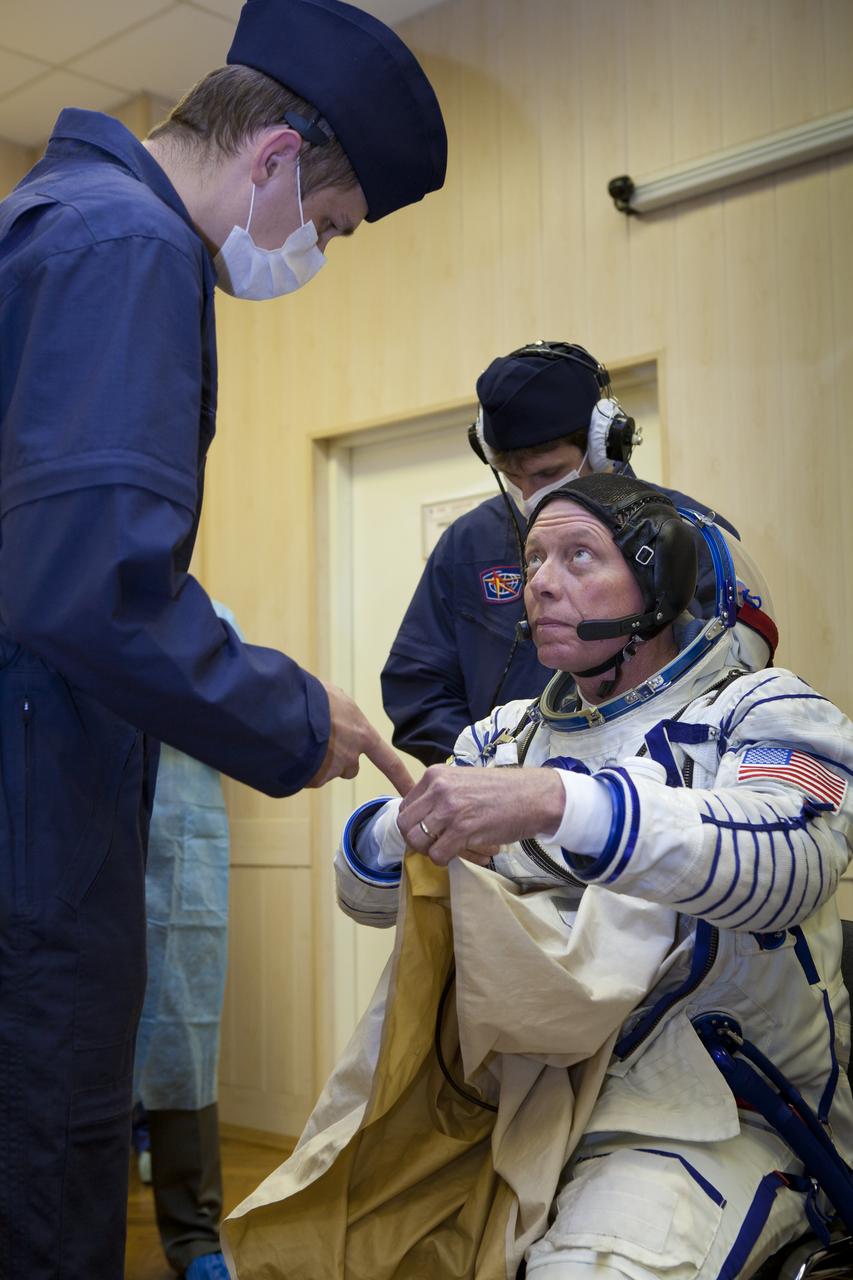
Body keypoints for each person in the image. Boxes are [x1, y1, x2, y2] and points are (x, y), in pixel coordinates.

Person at [0, 1, 444, 1274]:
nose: (316, 252)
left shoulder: (54, 220)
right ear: (277, 163)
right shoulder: (125, 246)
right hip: (33, 818)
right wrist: (299, 715)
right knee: (46, 1178)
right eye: (333, 227)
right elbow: (92, 584)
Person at [323, 474, 853, 1278]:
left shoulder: (762, 711)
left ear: (659, 582)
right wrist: (398, 827)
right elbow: (363, 895)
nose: (538, 581)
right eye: (534, 558)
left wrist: (555, 803)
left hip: (716, 1112)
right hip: (526, 1105)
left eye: (578, 555)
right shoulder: (507, 737)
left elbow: (788, 865)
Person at [381, 340, 740, 766]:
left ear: (604, 443)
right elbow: (418, 689)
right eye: (513, 477)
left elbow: (730, 671)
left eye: (548, 473)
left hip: (655, 796)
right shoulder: (468, 543)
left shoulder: (687, 534)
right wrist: (490, 775)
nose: (530, 496)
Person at [132, 599, 239, 1280]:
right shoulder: (42, 584)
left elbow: (239, 710)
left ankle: (194, 1234)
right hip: (70, 837)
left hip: (176, 834)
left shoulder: (201, 610)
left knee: (181, 1032)